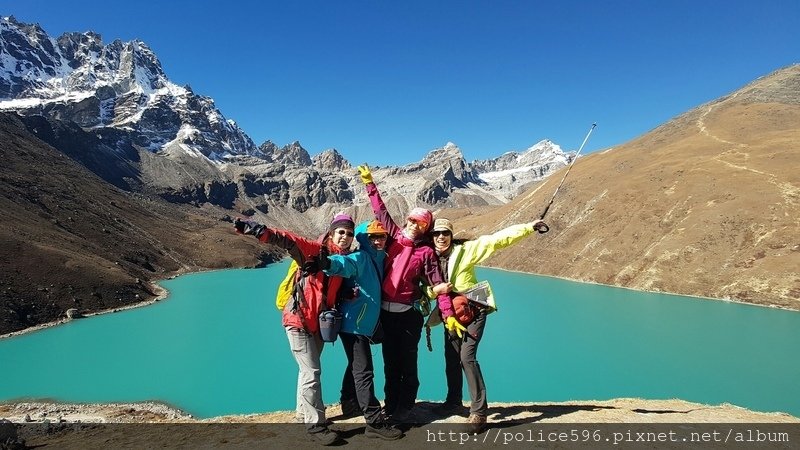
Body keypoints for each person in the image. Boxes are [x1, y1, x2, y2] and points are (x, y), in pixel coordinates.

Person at [234, 213, 356, 446]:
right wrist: (260, 231)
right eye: (341, 232)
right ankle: (315, 424)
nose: (345, 237)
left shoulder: (344, 259)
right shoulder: (313, 250)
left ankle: (303, 413)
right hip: (298, 319)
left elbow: (329, 288)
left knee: (307, 371)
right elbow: (288, 240)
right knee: (312, 372)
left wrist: (344, 295)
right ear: (332, 232)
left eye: (349, 233)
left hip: (318, 324)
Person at [428, 217, 546, 434]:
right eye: (437, 234)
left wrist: (529, 227)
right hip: (451, 312)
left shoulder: (467, 250)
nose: (441, 237)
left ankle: (479, 413)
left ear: (452, 235)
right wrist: (433, 292)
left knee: (467, 357)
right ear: (431, 237)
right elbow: (424, 288)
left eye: (445, 233)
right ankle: (453, 401)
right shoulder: (428, 257)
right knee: (451, 356)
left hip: (474, 309)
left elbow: (497, 240)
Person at [356, 165, 452, 424]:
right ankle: (391, 405)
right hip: (385, 316)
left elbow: (440, 285)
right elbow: (380, 210)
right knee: (390, 364)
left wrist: (448, 315)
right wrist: (369, 183)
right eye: (411, 220)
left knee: (408, 364)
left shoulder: (427, 253)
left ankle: (405, 407)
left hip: (409, 317)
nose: (413, 225)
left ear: (425, 228)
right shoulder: (394, 237)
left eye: (420, 223)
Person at [315, 220, 403, 440]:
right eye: (372, 236)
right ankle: (374, 422)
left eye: (381, 236)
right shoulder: (361, 257)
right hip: (353, 323)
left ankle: (348, 401)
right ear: (364, 238)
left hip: (362, 322)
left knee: (356, 364)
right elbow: (342, 264)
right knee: (364, 370)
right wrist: (325, 262)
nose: (378, 240)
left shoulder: (381, 257)